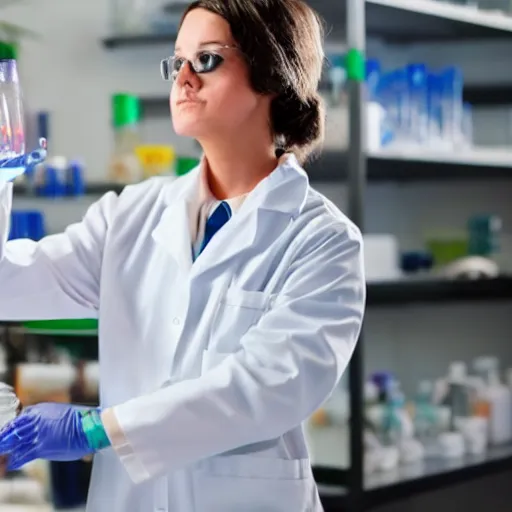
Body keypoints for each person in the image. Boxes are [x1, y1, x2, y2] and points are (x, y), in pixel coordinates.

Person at [0, 0, 366, 510]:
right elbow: (7, 284)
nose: (183, 79)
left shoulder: (322, 240)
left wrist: (97, 429)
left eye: (207, 59)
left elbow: (269, 387)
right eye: (177, 62)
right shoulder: (131, 215)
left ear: (272, 73)